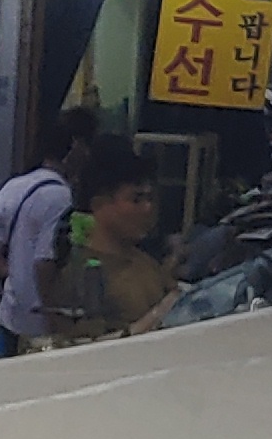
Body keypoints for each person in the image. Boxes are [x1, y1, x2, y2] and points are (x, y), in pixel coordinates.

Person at [0, 108, 96, 359]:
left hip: (12, 312)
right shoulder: (60, 196)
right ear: (75, 147)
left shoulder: (19, 185)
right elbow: (45, 261)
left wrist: (10, 273)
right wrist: (55, 319)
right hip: (39, 324)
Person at [33, 141, 177, 347]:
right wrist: (156, 316)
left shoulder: (146, 262)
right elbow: (84, 348)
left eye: (150, 198)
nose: (148, 208)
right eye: (136, 200)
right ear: (99, 204)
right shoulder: (81, 275)